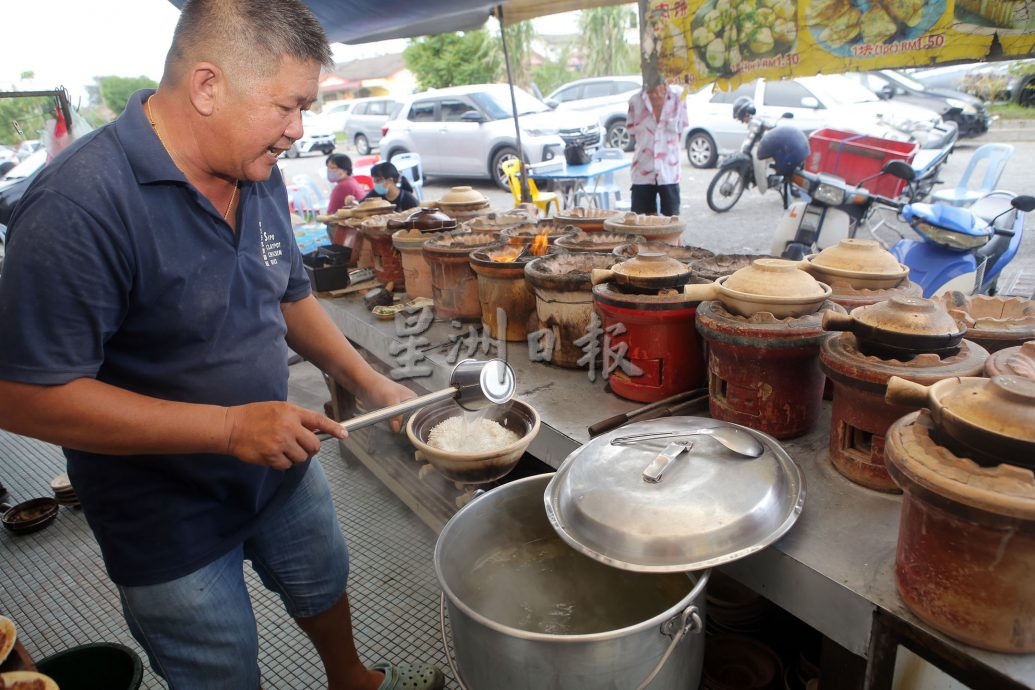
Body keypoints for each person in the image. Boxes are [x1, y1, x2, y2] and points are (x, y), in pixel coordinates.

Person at [0, 2, 444, 689]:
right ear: (207, 86)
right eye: (286, 107)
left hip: (279, 465)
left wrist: (371, 380)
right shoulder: (76, 206)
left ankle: (350, 678)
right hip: (161, 507)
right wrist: (229, 426)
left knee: (323, 580)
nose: (298, 131)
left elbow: (288, 295)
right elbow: (22, 396)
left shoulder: (256, 169)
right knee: (218, 664)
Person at [626, 80, 689, 216]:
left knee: (671, 223)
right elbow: (632, 132)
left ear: (665, 85)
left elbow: (681, 129)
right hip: (642, 169)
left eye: (658, 91)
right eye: (650, 92)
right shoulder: (635, 101)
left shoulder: (679, 98)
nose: (654, 95)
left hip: (669, 171)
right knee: (641, 223)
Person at [325, 152, 367, 247]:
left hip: (350, 236)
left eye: (333, 168)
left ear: (344, 169)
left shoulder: (342, 187)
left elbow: (329, 217)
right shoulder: (351, 181)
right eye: (328, 167)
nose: (329, 171)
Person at [347, 161, 418, 212]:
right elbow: (360, 206)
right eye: (374, 180)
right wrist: (352, 203)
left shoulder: (408, 199)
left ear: (390, 180)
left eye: (378, 180)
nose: (375, 184)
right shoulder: (374, 194)